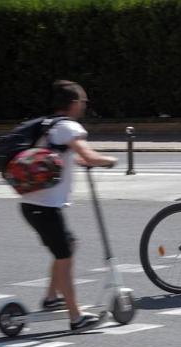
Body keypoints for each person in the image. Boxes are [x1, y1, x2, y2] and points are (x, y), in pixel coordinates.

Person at [20, 80, 117, 333]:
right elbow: (89, 155)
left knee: (68, 245)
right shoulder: (68, 126)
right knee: (64, 257)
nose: (84, 106)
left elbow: (58, 154)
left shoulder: (48, 125)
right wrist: (109, 160)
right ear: (73, 104)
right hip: (45, 207)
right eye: (83, 102)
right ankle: (76, 318)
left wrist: (77, 161)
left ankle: (52, 298)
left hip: (33, 206)